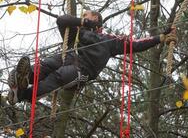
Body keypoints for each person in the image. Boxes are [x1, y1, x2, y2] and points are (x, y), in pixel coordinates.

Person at [7, 10, 176, 105]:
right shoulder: (79, 33)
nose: (83, 18)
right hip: (67, 57)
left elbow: (136, 45)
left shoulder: (110, 41)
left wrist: (160, 38)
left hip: (81, 70)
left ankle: (22, 94)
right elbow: (62, 20)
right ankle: (24, 77)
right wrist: (85, 23)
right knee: (46, 65)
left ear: (96, 18)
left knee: (60, 76)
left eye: (86, 16)